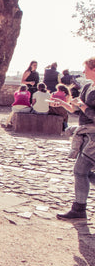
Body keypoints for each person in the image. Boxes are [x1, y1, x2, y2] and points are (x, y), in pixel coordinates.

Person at [50, 57, 95, 220]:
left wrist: (83, 106)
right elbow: (77, 111)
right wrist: (61, 104)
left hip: (93, 138)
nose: (83, 72)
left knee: (80, 171)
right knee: (83, 172)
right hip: (87, 136)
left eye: (86, 69)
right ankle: (79, 209)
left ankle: (79, 210)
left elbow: (86, 110)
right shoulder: (88, 86)